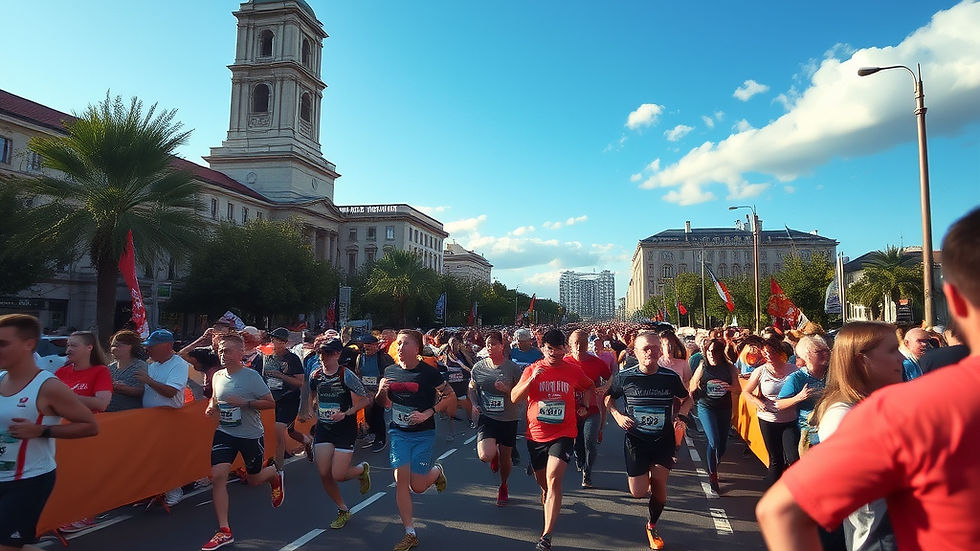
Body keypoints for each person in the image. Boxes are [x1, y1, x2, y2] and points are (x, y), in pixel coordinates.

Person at [756, 206, 980, 550]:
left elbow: (781, 512)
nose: (900, 360)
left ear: (955, 302)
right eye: (891, 351)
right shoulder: (869, 411)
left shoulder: (907, 411)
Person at [0, 314, 99, 551]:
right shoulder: (1, 378)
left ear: (29, 344)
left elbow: (90, 425)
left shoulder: (48, 386)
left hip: (28, 480)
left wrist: (40, 430)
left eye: (3, 343)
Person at [811, 321, 903, 551]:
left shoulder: (879, 402)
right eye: (892, 351)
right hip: (876, 539)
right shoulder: (842, 414)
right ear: (863, 360)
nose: (901, 359)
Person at [511, 328, 595, 551]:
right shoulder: (532, 369)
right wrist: (532, 381)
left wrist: (585, 406)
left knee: (553, 478)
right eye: (550, 349)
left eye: (559, 349)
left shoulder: (572, 370)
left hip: (564, 433)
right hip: (536, 434)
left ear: (564, 348)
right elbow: (514, 397)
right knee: (545, 484)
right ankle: (546, 493)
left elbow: (589, 386)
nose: (555, 353)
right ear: (543, 348)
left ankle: (546, 537)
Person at [605, 331, 690, 550]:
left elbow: (687, 398)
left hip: (663, 439)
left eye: (654, 348)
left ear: (660, 351)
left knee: (660, 484)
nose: (650, 352)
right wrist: (617, 415)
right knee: (638, 492)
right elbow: (608, 398)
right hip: (636, 440)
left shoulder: (670, 377)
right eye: (646, 348)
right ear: (635, 352)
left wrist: (681, 416)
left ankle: (652, 525)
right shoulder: (626, 377)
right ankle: (648, 475)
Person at [201, 333, 283, 551]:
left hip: (250, 435)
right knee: (218, 477)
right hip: (225, 433)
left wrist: (245, 403)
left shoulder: (251, 376)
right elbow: (216, 397)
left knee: (254, 480)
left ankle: (273, 475)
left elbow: (270, 403)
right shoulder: (217, 375)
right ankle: (224, 530)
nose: (222, 354)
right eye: (220, 350)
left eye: (227, 350)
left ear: (240, 353)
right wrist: (212, 406)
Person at [375, 329, 452, 551]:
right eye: (398, 343)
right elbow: (382, 403)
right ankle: (410, 532)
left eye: (405, 343)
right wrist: (381, 391)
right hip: (399, 433)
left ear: (416, 348)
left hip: (423, 434)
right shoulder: (389, 371)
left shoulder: (428, 373)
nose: (399, 347)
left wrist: (429, 412)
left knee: (417, 486)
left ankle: (436, 471)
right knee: (401, 479)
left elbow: (450, 396)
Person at [298, 338, 372, 530]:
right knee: (323, 473)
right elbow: (312, 395)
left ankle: (361, 470)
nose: (324, 357)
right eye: (321, 353)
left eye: (329, 353)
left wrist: (346, 413)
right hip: (324, 428)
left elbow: (364, 400)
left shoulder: (345, 375)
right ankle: (342, 509)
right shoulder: (315, 374)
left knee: (338, 474)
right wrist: (310, 408)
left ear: (338, 354)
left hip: (344, 429)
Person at [468, 330, 522, 506]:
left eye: (493, 344)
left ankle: (503, 485)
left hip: (508, 418)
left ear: (502, 345)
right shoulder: (479, 367)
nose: (490, 347)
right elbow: (471, 388)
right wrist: (475, 404)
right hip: (487, 417)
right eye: (488, 344)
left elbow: (521, 394)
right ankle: (493, 455)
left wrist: (507, 389)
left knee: (506, 459)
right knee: (485, 455)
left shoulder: (512, 368)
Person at [136, 329, 190, 506]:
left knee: (168, 456)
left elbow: (171, 391)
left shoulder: (178, 364)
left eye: (152, 346)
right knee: (153, 456)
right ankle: (156, 489)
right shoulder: (153, 365)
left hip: (169, 418)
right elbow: (147, 391)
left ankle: (174, 489)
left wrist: (148, 381)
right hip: (151, 419)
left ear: (167, 346)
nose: (148, 350)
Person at [741, 338, 800, 487]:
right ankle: (774, 493)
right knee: (776, 459)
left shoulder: (793, 370)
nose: (768, 356)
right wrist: (758, 402)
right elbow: (746, 392)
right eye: (765, 353)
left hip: (790, 420)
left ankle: (794, 489)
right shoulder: (760, 371)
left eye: (771, 352)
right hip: (768, 420)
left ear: (779, 352)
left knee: (793, 457)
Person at [688, 337, 739, 493]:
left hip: (724, 407)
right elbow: (692, 384)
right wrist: (693, 394)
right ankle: (713, 476)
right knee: (714, 441)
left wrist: (727, 387)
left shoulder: (729, 367)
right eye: (708, 351)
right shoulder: (703, 365)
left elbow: (738, 388)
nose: (711, 354)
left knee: (722, 446)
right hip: (706, 406)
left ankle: (713, 464)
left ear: (720, 352)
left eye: (714, 351)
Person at [253, 327, 307, 471]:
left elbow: (300, 382)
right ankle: (307, 441)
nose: (275, 342)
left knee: (278, 431)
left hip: (288, 399)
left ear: (285, 342)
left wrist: (280, 375)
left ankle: (278, 469)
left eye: (278, 340)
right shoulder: (266, 357)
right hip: (271, 399)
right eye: (273, 339)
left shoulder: (292, 359)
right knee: (290, 431)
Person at [563, 329, 611, 488]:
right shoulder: (565, 361)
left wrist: (605, 387)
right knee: (577, 442)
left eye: (582, 343)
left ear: (587, 344)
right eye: (575, 343)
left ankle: (587, 474)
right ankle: (579, 457)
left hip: (592, 409)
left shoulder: (596, 362)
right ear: (570, 345)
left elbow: (611, 375)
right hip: (571, 410)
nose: (578, 347)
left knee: (590, 441)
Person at [776, 335, 830, 451]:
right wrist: (798, 398)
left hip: (832, 430)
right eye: (819, 351)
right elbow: (779, 404)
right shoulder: (797, 377)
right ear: (807, 356)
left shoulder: (834, 373)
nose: (825, 354)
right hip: (809, 434)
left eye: (826, 350)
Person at [354, 334, 394, 453]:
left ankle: (380, 439)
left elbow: (391, 374)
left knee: (378, 415)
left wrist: (383, 390)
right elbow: (358, 373)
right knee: (368, 415)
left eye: (370, 345)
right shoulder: (360, 358)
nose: (367, 348)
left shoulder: (384, 358)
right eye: (366, 346)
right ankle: (371, 433)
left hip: (379, 391)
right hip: (365, 392)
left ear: (376, 346)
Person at [55, 331, 112, 413]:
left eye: (74, 346)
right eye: (68, 346)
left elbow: (102, 404)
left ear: (89, 348)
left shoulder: (101, 371)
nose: (68, 350)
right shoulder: (61, 371)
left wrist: (68, 397)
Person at [106, 330, 147, 412]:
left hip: (130, 415)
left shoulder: (140, 366)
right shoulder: (110, 368)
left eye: (117, 345)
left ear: (130, 346)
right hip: (108, 414)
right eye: (112, 346)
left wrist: (125, 389)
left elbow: (144, 391)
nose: (113, 349)